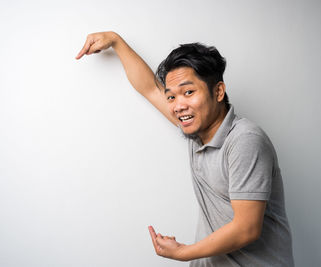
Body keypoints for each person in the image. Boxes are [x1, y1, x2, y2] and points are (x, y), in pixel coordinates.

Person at [76, 31, 294, 267]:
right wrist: (116, 41)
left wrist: (184, 253)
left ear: (218, 92)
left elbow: (247, 229)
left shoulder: (244, 140)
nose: (179, 105)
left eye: (189, 92)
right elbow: (150, 88)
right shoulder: (196, 132)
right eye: (172, 97)